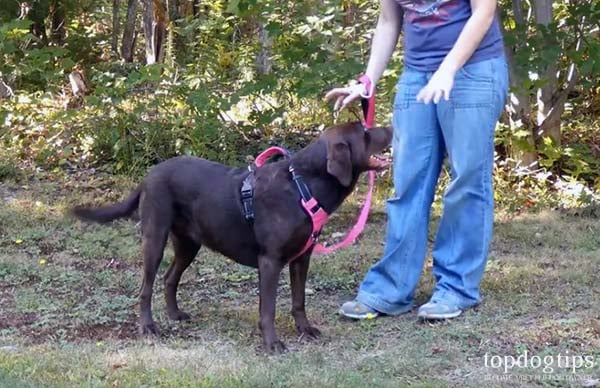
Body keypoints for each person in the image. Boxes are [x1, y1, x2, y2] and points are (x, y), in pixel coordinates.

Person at [325, 0, 509, 320]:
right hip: (417, 73)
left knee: (467, 180)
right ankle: (391, 288)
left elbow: (483, 11)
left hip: (474, 70)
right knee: (408, 180)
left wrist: (447, 70)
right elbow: (387, 21)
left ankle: (456, 287)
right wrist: (367, 80)